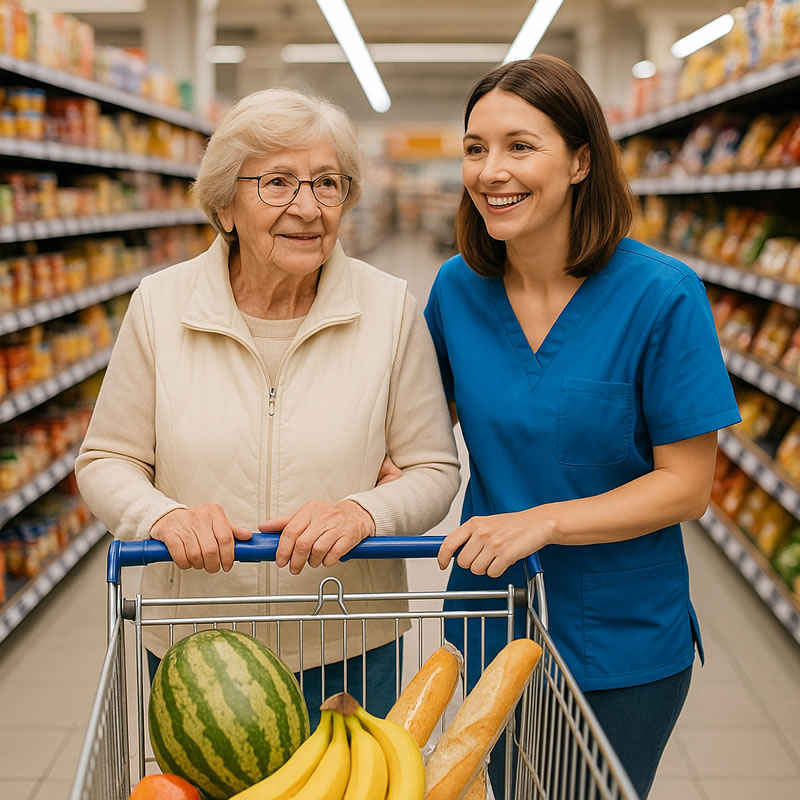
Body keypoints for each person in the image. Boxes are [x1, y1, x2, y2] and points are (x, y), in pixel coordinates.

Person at [75, 87, 460, 727]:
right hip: (198, 648)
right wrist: (162, 517)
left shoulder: (390, 308)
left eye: (327, 183)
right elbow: (106, 459)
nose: (307, 208)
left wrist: (365, 511)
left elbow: (434, 470)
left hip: (347, 642)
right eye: (278, 182)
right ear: (225, 205)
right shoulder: (160, 305)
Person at [424, 56, 741, 799]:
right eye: (475, 148)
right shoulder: (457, 289)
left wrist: (546, 521)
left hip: (620, 639)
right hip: (492, 617)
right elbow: (416, 436)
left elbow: (688, 487)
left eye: (520, 146)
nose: (492, 171)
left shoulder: (663, 295)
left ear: (580, 161)